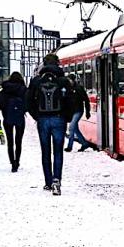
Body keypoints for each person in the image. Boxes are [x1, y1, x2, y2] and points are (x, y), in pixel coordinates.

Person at [26, 54, 74, 195]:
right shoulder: (64, 81)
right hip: (59, 119)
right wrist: (67, 117)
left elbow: (28, 102)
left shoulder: (36, 81)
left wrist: (37, 116)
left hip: (43, 120)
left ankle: (48, 182)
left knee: (45, 151)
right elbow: (70, 101)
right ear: (58, 64)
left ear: (44, 63)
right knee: (58, 152)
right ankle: (56, 181)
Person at [0, 72, 28, 172]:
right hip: (20, 117)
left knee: (10, 142)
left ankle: (12, 162)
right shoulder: (23, 89)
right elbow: (27, 103)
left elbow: (0, 103)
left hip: (7, 118)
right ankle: (17, 161)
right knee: (18, 141)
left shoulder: (5, 89)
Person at [64, 74, 94, 152]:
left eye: (70, 80)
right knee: (75, 129)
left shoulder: (79, 88)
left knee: (71, 127)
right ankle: (84, 143)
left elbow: (86, 100)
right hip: (72, 111)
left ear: (73, 80)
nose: (69, 81)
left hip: (78, 111)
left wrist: (88, 112)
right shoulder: (68, 89)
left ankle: (69, 147)